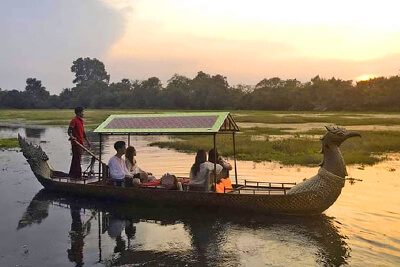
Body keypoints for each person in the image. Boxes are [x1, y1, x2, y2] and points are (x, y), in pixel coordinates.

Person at [68, 106, 91, 179]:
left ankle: (72, 174)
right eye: (82, 112)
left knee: (76, 159)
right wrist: (72, 137)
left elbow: (83, 132)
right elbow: (69, 130)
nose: (83, 113)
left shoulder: (81, 121)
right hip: (76, 143)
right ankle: (78, 176)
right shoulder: (74, 120)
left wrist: (87, 141)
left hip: (81, 143)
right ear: (78, 113)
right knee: (77, 159)